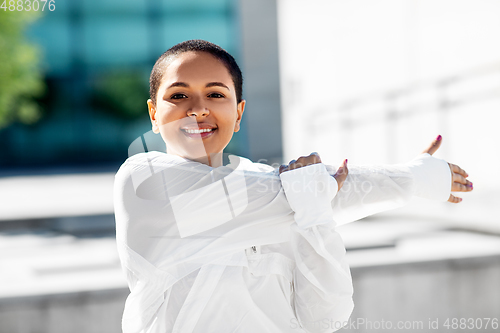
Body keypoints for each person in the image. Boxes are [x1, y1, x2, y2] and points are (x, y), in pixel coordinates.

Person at [113, 40, 473, 333]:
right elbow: (280, 194)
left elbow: (323, 319)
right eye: (178, 96)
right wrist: (410, 179)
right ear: (153, 115)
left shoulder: (284, 191)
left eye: (216, 95)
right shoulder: (143, 181)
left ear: (238, 115)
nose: (197, 110)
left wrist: (314, 210)